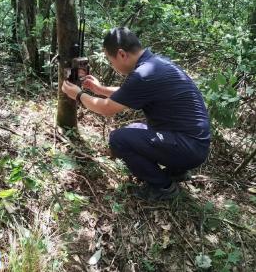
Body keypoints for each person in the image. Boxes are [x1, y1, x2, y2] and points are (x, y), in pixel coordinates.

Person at [62, 27, 210, 201]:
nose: (112, 65)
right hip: (194, 144)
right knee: (134, 128)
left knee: (119, 139)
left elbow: (107, 109)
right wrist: (99, 89)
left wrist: (79, 95)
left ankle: (164, 187)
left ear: (122, 54)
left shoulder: (143, 74)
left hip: (188, 148)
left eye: (111, 60)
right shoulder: (155, 64)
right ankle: (177, 171)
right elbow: (129, 93)